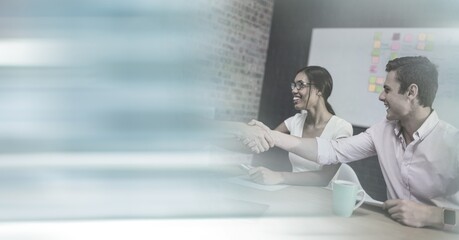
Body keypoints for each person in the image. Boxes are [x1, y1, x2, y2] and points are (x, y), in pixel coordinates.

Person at [241, 56, 459, 231]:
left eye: (388, 90)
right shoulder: (382, 131)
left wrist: (434, 216)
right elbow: (333, 150)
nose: (381, 97)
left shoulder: (453, 143)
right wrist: (271, 135)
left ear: (411, 92)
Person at [247, 66, 353, 186]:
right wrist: (253, 131)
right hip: (292, 192)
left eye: (300, 85)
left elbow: (323, 178)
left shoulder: (341, 128)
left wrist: (279, 176)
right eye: (294, 85)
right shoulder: (295, 121)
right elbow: (266, 138)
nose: (294, 90)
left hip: (322, 198)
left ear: (319, 90)